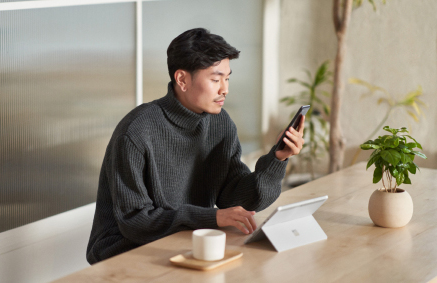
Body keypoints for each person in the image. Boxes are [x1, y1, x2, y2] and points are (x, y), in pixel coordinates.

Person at [86, 28, 305, 264]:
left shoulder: (220, 123)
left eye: (227, 78)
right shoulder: (136, 131)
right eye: (215, 79)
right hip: (125, 251)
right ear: (182, 79)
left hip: (185, 240)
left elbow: (236, 201)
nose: (225, 89)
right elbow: (135, 222)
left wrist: (278, 159)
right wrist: (212, 217)